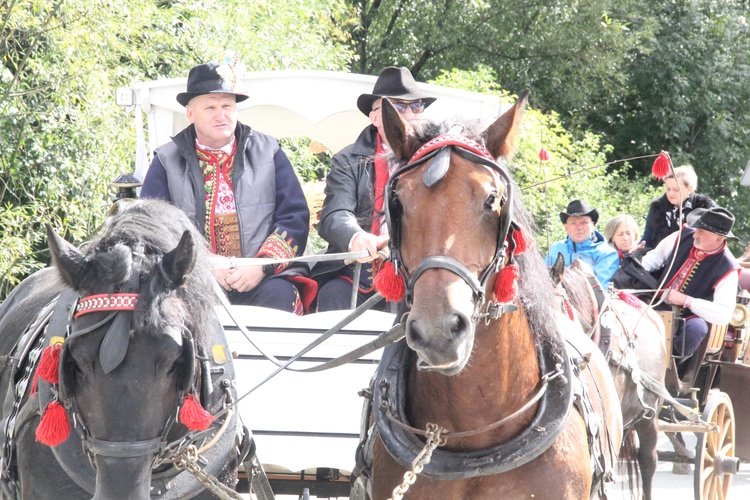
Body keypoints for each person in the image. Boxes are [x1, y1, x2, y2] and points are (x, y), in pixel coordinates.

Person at [141, 59, 315, 314]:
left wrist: (261, 266)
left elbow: (295, 217)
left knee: (280, 301)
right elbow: (153, 229)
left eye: (227, 106)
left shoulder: (270, 151)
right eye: (210, 107)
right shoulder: (166, 160)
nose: (220, 115)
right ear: (190, 114)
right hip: (192, 280)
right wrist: (203, 264)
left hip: (264, 278)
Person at [313, 67, 436, 311]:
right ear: (376, 118)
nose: (409, 114)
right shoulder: (347, 159)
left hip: (419, 271)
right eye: (398, 108)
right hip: (360, 271)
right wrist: (356, 238)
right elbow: (335, 214)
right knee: (333, 294)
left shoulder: (437, 160)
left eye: (416, 106)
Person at [640, 206, 740, 357]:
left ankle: (671, 370)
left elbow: (724, 314)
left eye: (701, 232)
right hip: (655, 301)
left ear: (718, 238)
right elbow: (652, 259)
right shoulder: (682, 235)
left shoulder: (728, 268)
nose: (695, 235)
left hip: (688, 316)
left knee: (696, 329)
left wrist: (686, 301)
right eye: (697, 229)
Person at [544, 199, 620, 289]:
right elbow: (544, 282)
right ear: (566, 227)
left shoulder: (607, 253)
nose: (579, 227)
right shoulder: (554, 251)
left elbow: (600, 289)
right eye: (573, 223)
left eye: (584, 223)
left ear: (592, 225)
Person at [641, 165, 715, 249]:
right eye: (668, 189)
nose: (671, 193)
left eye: (676, 190)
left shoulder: (704, 206)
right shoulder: (657, 207)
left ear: (689, 189)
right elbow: (647, 239)